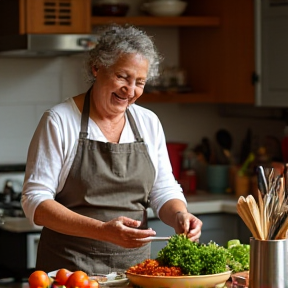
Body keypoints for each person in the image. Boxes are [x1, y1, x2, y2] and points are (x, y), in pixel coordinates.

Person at [21, 23, 202, 275]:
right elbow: (36, 203)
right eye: (122, 77)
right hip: (71, 272)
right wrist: (102, 231)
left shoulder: (148, 122)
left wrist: (180, 215)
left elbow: (162, 189)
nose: (130, 91)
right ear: (96, 67)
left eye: (140, 82)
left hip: (135, 272)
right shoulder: (60, 120)